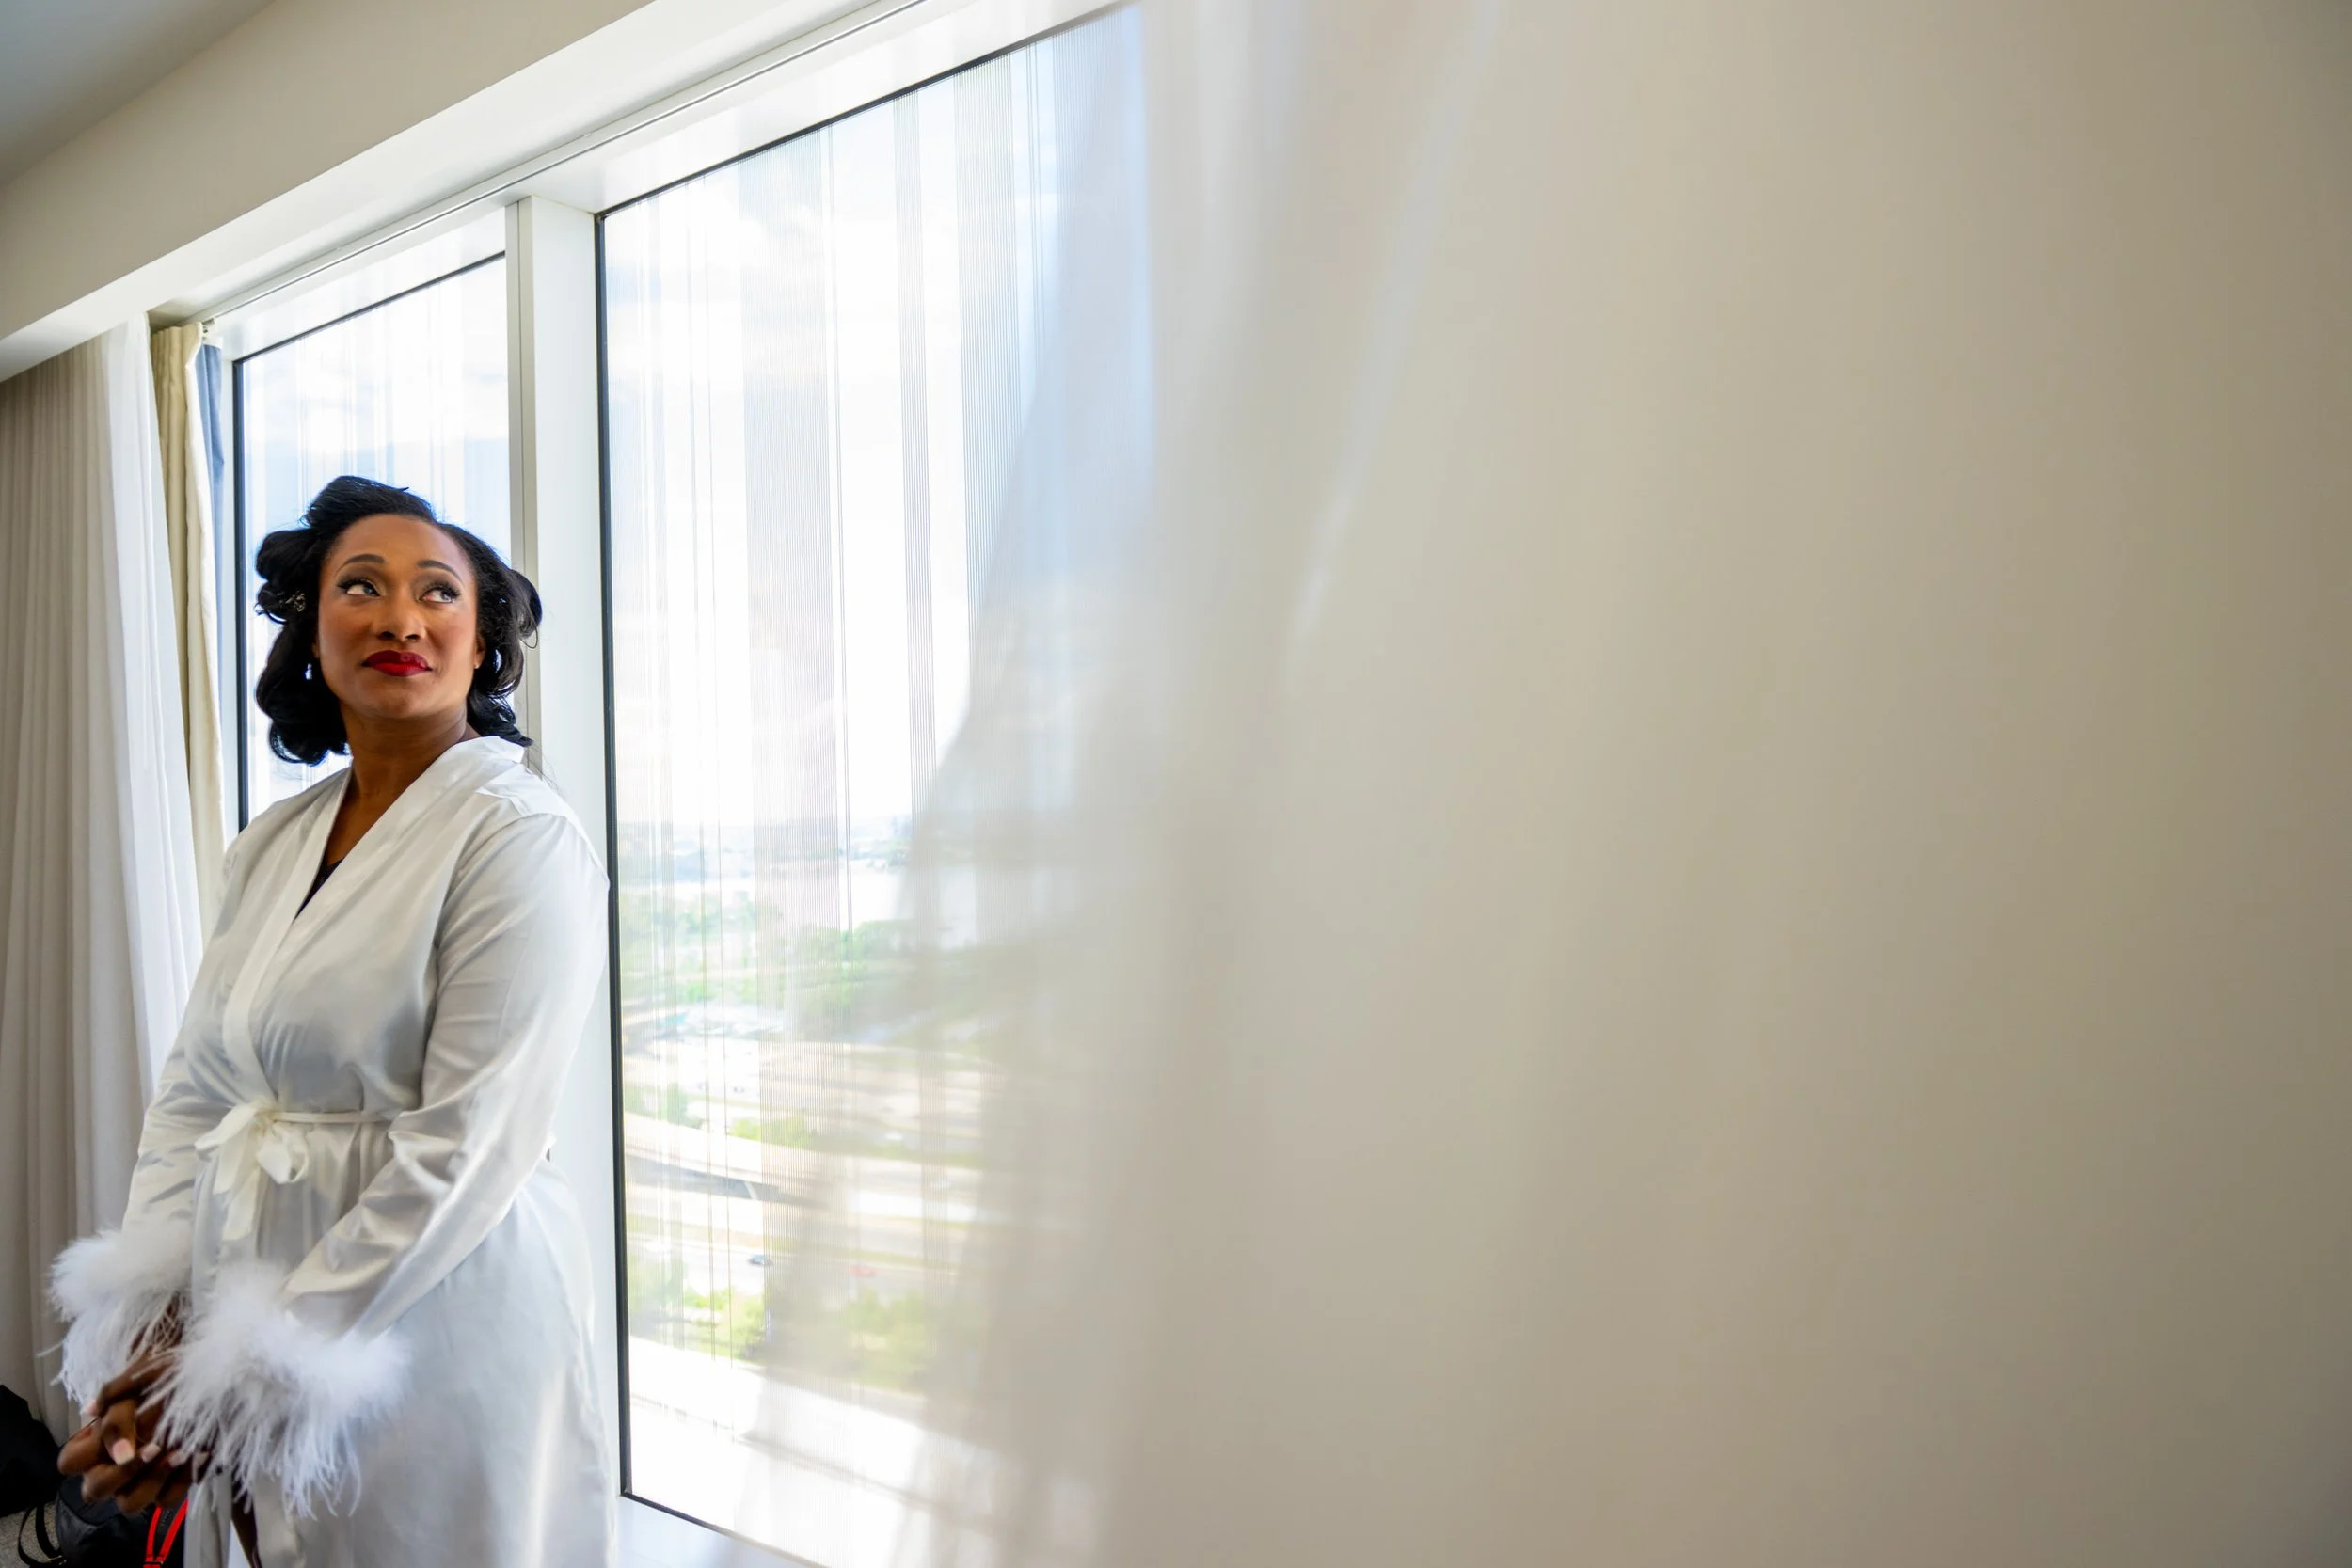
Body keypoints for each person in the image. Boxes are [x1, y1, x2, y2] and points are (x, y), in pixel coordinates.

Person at [45, 475, 615, 1567]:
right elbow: (196, 1088)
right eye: (361, 586)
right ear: (312, 632)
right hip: (252, 1277)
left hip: (442, 1299)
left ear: (482, 646)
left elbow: (468, 1145)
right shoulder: (272, 842)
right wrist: (167, 1315)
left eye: (438, 592)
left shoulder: (518, 834)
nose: (401, 615)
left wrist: (240, 1374)